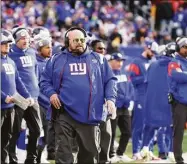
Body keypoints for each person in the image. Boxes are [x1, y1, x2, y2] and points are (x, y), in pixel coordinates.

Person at [40, 27, 117, 164]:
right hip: (63, 113)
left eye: (82, 40)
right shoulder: (55, 59)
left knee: (89, 156)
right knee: (64, 155)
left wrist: (110, 99)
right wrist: (51, 94)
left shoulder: (98, 59)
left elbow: (110, 80)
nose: (80, 43)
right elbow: (45, 81)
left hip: (90, 114)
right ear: (67, 41)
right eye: (76, 40)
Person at [8, 26, 42, 164]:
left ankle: (31, 159)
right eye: (22, 38)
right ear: (15, 40)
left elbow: (36, 73)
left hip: (32, 98)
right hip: (18, 98)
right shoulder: (10, 54)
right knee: (14, 131)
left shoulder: (32, 52)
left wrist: (35, 91)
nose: (25, 41)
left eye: (27, 38)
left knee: (37, 130)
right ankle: (12, 159)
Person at [140, 42, 176, 162]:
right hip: (168, 100)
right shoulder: (174, 65)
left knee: (151, 126)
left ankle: (145, 148)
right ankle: (171, 152)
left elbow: (146, 82)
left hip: (151, 101)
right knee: (172, 127)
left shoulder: (152, 64)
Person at [1, 30, 31, 164]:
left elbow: (18, 81)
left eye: (8, 44)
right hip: (1, 105)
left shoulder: (11, 61)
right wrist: (3, 97)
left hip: (11, 107)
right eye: (4, 43)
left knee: (6, 137)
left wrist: (27, 95)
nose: (7, 46)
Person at [127, 40, 158, 160]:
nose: (153, 54)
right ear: (147, 48)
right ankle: (136, 152)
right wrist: (147, 77)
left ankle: (147, 150)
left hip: (152, 97)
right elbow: (132, 79)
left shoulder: (154, 61)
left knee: (151, 125)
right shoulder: (137, 61)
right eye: (152, 51)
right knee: (139, 125)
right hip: (141, 96)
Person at [107, 53, 133, 163]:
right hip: (114, 106)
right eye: (117, 60)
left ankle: (120, 153)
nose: (120, 63)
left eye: (121, 61)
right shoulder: (108, 72)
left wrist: (128, 98)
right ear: (111, 61)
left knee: (127, 132)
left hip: (124, 106)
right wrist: (119, 99)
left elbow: (130, 87)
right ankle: (110, 154)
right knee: (111, 132)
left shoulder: (124, 72)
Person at [90, 39, 112, 164]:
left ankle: (104, 159)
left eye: (104, 48)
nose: (102, 51)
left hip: (103, 103)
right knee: (92, 135)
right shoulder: (88, 62)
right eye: (99, 48)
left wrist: (110, 99)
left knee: (106, 133)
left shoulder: (104, 62)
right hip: (91, 105)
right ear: (92, 49)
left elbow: (110, 81)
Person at [34, 30, 52, 163]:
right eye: (47, 47)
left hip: (50, 104)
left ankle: (39, 157)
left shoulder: (50, 63)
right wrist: (46, 100)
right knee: (41, 133)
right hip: (41, 104)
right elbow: (36, 87)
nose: (50, 50)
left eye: (51, 47)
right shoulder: (36, 64)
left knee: (48, 134)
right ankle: (36, 158)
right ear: (40, 49)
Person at [167, 37, 187, 164]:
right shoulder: (174, 62)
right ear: (179, 48)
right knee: (178, 131)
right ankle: (178, 159)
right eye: (185, 47)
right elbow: (177, 76)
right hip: (180, 101)